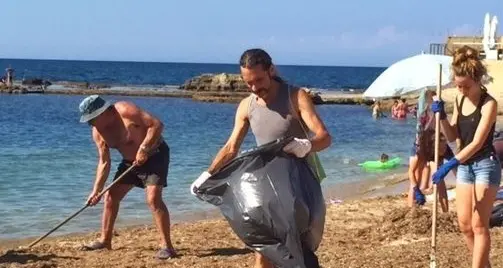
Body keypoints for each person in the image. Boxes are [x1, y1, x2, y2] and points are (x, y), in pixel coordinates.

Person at [190, 48, 332, 268]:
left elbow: (325, 138)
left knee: (297, 245)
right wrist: (208, 175)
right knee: (264, 247)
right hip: (266, 184)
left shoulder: (295, 96)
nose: (255, 87)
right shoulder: (247, 106)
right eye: (249, 83)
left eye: (259, 80)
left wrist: (306, 145)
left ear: (271, 70)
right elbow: (230, 148)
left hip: (300, 182)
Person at [78, 95, 176, 259]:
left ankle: (167, 247)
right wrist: (96, 191)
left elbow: (156, 125)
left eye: (92, 119)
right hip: (130, 164)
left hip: (155, 155)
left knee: (153, 199)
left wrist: (144, 148)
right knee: (110, 197)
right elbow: (104, 162)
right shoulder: (98, 132)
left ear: (103, 112)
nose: (91, 123)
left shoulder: (126, 110)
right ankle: (105, 240)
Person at [431, 46, 500, 268]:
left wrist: (451, 162)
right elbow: (454, 136)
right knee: (465, 225)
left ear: (477, 79)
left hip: (484, 165)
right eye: (458, 85)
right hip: (465, 166)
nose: (460, 90)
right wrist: (441, 117)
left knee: (480, 225)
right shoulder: (460, 101)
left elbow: (478, 142)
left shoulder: (489, 104)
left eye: (465, 86)